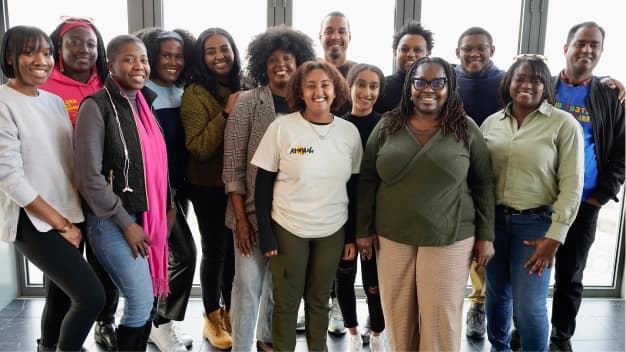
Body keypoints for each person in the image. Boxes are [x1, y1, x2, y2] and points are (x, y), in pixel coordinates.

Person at [357, 57, 495, 351]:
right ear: (410, 87)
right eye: (421, 81)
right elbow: (367, 179)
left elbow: (483, 183)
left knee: (440, 318)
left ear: (449, 87)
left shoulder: (465, 129)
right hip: (392, 235)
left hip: (450, 235)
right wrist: (363, 230)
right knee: (398, 316)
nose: (428, 89)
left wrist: (486, 236)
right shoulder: (388, 126)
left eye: (438, 83)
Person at [0, 25, 105, 352]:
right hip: (34, 220)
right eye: (30, 52)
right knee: (91, 298)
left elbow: (68, 163)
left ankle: (49, 346)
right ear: (9, 57)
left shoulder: (54, 101)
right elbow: (10, 178)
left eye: (46, 52)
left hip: (70, 212)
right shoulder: (4, 102)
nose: (41, 60)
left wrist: (77, 216)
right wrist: (61, 224)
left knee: (60, 296)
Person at [252, 60, 362, 351]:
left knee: (319, 300)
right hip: (288, 227)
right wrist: (265, 232)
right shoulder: (282, 128)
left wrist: (350, 235)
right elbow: (262, 185)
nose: (318, 92)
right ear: (299, 91)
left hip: (332, 229)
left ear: (335, 89)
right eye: (310, 85)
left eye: (325, 85)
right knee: (286, 302)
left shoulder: (349, 133)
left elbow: (354, 188)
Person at [74, 34, 175, 351]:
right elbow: (89, 177)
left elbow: (155, 163)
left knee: (142, 303)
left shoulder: (144, 102)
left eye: (143, 59)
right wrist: (127, 223)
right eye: (129, 59)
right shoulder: (97, 106)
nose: (139, 66)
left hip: (146, 214)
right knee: (140, 299)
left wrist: (168, 207)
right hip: (112, 221)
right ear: (112, 64)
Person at [481, 55, 584, 352]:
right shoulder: (491, 123)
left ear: (545, 87)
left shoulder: (564, 125)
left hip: (536, 226)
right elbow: (480, 180)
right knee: (496, 297)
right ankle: (499, 349)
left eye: (536, 80)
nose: (527, 84)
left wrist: (555, 237)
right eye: (521, 78)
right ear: (509, 83)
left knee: (529, 306)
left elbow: (572, 184)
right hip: (495, 224)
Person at [223, 25, 316, 352]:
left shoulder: (308, 105)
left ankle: (268, 342)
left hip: (292, 218)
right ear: (262, 64)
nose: (281, 65)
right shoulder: (248, 103)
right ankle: (241, 346)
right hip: (249, 214)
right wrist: (242, 221)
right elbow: (233, 166)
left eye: (288, 59)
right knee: (247, 287)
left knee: (281, 287)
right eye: (273, 59)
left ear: (299, 61)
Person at [38, 17, 119, 351]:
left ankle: (105, 323)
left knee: (106, 266)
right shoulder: (45, 87)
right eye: (74, 42)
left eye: (90, 43)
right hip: (61, 197)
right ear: (59, 47)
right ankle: (53, 341)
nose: (83, 49)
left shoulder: (109, 84)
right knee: (63, 281)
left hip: (101, 193)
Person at [549, 21, 625, 352]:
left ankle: (561, 336)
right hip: (540, 200)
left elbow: (622, 150)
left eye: (594, 45)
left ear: (601, 53)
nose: (587, 50)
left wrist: (600, 196)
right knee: (528, 274)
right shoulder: (543, 86)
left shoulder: (609, 96)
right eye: (580, 43)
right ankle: (524, 329)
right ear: (566, 48)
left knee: (570, 276)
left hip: (584, 203)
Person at [135, 27, 197, 352]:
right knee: (184, 256)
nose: (173, 61)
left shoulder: (182, 90)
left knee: (166, 257)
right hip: (155, 193)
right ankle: (160, 325)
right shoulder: (140, 93)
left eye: (178, 55)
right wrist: (163, 199)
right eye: (166, 55)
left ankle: (154, 324)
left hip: (178, 186)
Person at [180, 27, 241, 350]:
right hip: (207, 187)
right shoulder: (195, 93)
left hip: (238, 185)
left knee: (234, 252)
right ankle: (210, 316)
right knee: (215, 251)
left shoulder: (243, 85)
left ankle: (230, 310)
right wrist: (226, 112)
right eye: (211, 51)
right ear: (202, 58)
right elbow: (199, 148)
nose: (220, 56)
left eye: (225, 49)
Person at [453, 26, 505, 340]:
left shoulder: (506, 81)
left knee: (485, 246)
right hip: (454, 175)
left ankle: (479, 304)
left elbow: (545, 85)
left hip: (491, 174)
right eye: (467, 48)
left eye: (480, 48)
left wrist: (611, 84)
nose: (474, 53)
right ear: (457, 51)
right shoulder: (448, 78)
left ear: (491, 50)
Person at [335, 63, 386, 352]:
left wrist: (371, 227)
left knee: (373, 281)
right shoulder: (337, 126)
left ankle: (377, 331)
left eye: (374, 86)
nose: (367, 92)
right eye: (362, 84)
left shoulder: (386, 126)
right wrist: (347, 234)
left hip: (375, 221)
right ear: (350, 86)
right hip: (343, 217)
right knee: (343, 277)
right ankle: (353, 331)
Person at [374, 21, 433, 115]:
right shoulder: (379, 87)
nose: (410, 54)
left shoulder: (436, 89)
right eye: (404, 49)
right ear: (395, 52)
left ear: (428, 54)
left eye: (417, 50)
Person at [319, 11, 357, 78]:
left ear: (349, 37)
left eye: (341, 32)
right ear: (320, 37)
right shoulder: (308, 70)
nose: (335, 37)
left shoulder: (358, 73)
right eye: (329, 32)